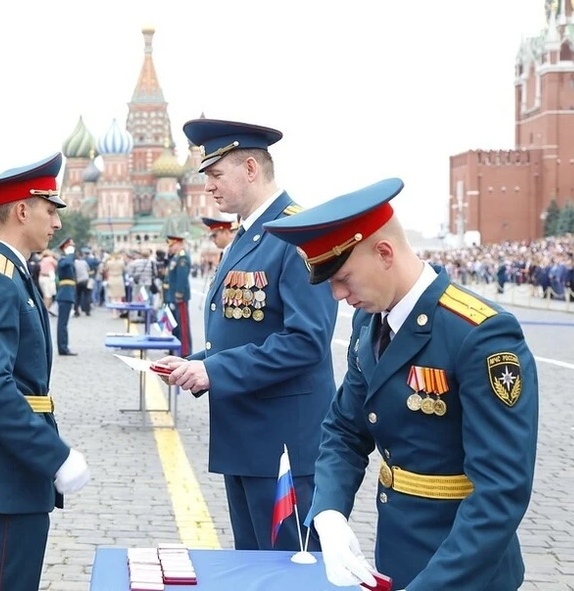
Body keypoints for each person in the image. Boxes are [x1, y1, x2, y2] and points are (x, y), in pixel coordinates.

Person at [262, 178, 538, 591]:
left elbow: (500, 493)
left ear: (385, 253)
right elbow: (344, 429)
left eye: (344, 278)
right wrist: (330, 513)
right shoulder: (370, 322)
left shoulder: (479, 334)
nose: (337, 295)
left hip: (465, 572)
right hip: (397, 556)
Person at [159, 119, 338, 553]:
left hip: (283, 449)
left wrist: (212, 371)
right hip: (247, 441)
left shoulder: (299, 233)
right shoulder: (247, 235)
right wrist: (195, 363)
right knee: (255, 570)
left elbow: (306, 340)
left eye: (216, 175)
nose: (209, 188)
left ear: (252, 168)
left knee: (290, 572)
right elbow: (245, 332)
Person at [0, 153, 90, 591]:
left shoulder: (8, 273)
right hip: (4, 467)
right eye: (51, 210)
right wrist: (55, 454)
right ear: (23, 210)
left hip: (11, 465)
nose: (57, 223)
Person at [163, 235, 192, 357]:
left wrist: (179, 294)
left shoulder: (182, 257)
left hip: (179, 297)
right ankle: (175, 349)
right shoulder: (176, 256)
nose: (170, 248)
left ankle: (185, 352)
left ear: (179, 243)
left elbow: (182, 278)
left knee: (182, 326)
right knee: (175, 325)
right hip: (172, 296)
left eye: (172, 245)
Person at [54, 238, 77, 356]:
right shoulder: (63, 259)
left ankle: (64, 347)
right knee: (62, 323)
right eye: (71, 245)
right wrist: (69, 254)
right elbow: (65, 264)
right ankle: (63, 348)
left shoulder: (67, 258)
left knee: (64, 323)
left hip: (68, 293)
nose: (73, 247)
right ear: (66, 247)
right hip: (65, 294)